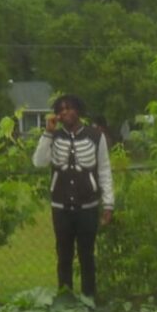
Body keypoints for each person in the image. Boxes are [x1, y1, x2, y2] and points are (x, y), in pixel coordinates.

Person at [32, 94, 114, 298]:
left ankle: (89, 299)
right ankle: (65, 300)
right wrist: (47, 134)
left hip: (88, 207)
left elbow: (104, 169)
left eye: (68, 108)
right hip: (61, 208)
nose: (64, 112)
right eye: (60, 110)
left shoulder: (96, 136)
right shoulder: (54, 137)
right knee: (64, 256)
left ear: (78, 111)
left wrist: (109, 203)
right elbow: (39, 162)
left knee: (87, 256)